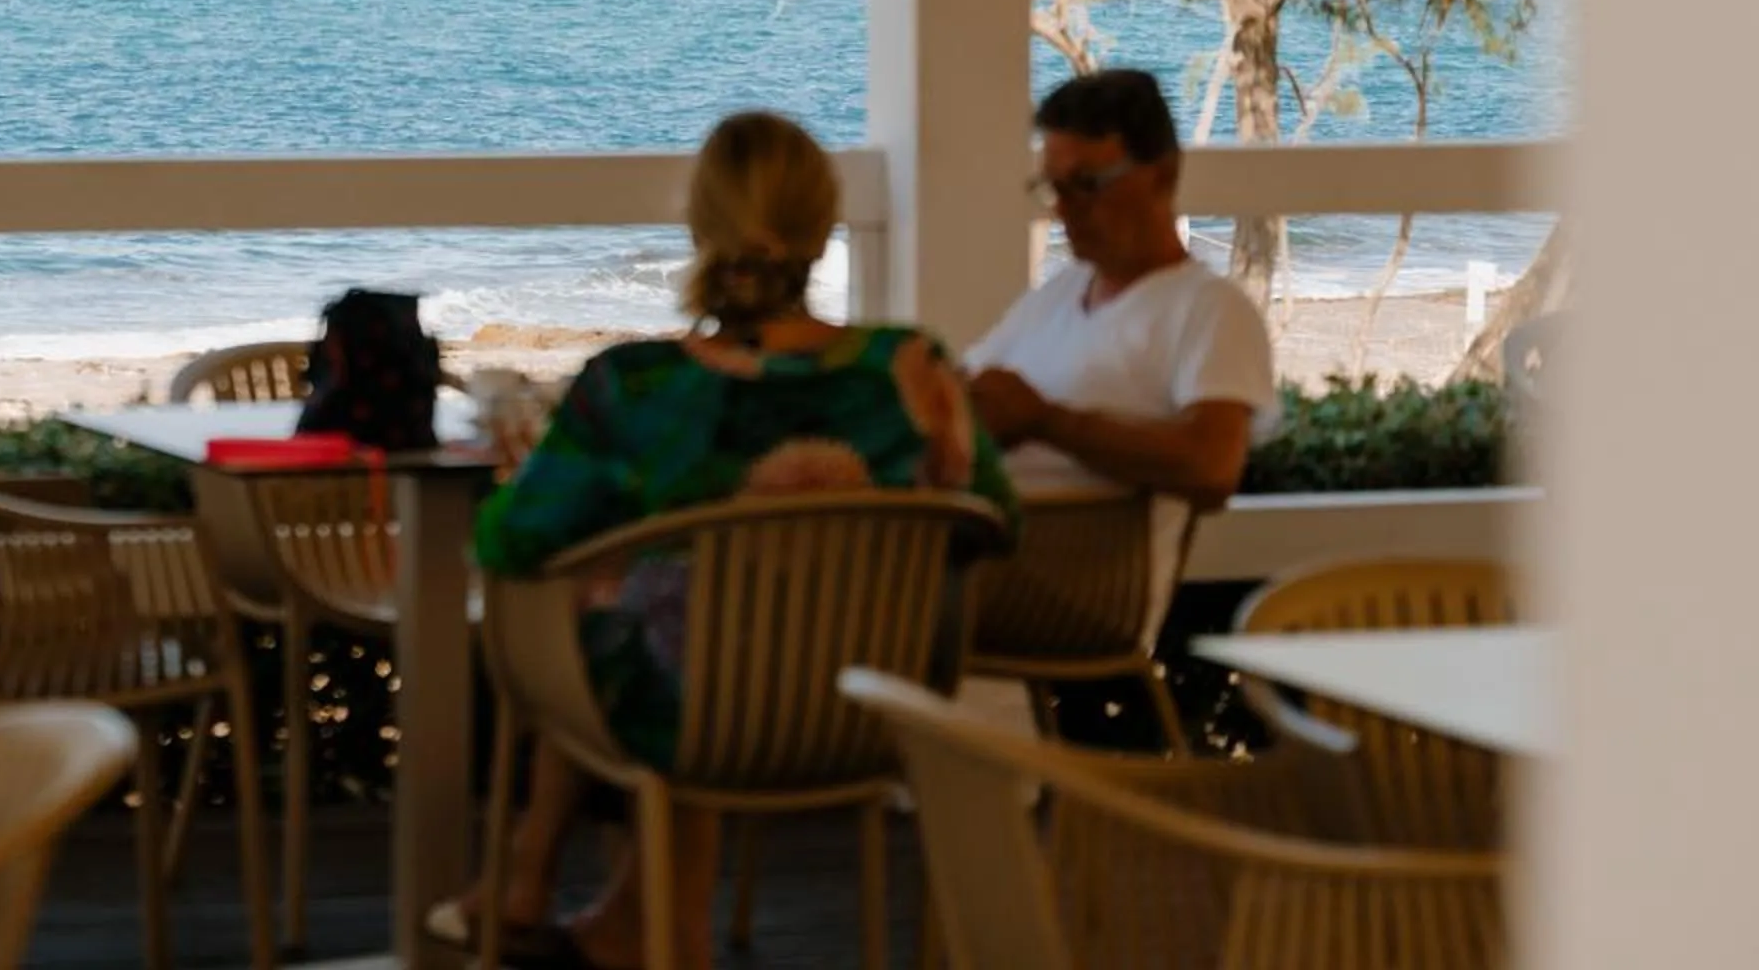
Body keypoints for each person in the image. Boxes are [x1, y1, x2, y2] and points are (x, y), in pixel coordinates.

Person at [450, 111, 1016, 970]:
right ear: (823, 230)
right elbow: (997, 518)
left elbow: (509, 542)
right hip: (873, 703)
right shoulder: (911, 369)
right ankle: (621, 919)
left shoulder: (638, 385)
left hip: (694, 709)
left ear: (700, 227)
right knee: (693, 619)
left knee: (629, 614)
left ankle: (529, 872)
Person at [967, 69, 1280, 576]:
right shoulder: (1059, 295)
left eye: (1087, 185)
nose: (1064, 210)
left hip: (1075, 600)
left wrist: (1047, 422)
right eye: (1053, 188)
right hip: (981, 576)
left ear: (1162, 176)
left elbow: (1211, 468)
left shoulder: (1209, 310)